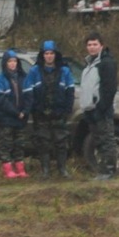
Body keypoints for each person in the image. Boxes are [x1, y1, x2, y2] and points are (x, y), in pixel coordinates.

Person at [23, 40, 75, 179]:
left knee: (61, 142)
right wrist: (34, 109)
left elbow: (70, 91)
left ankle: (62, 170)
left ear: (56, 54)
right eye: (46, 53)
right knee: (43, 143)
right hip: (41, 114)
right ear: (42, 55)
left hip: (59, 113)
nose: (49, 56)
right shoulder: (34, 71)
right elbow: (28, 92)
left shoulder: (65, 70)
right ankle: (45, 171)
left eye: (52, 53)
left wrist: (67, 110)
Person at [80, 32, 118, 180]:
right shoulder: (89, 64)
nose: (92, 47)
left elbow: (109, 88)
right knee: (98, 142)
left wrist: (102, 107)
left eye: (95, 44)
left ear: (101, 45)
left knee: (107, 141)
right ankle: (102, 171)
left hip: (102, 110)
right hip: (90, 110)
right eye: (89, 45)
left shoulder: (106, 63)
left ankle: (108, 171)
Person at [0, 49, 29, 179]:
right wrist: (15, 112)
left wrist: (25, 111)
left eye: (14, 61)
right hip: (7, 118)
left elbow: (29, 96)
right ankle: (8, 169)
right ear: (5, 63)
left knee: (19, 143)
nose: (12, 64)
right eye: (10, 61)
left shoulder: (23, 78)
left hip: (21, 118)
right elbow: (0, 99)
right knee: (6, 144)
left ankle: (20, 168)